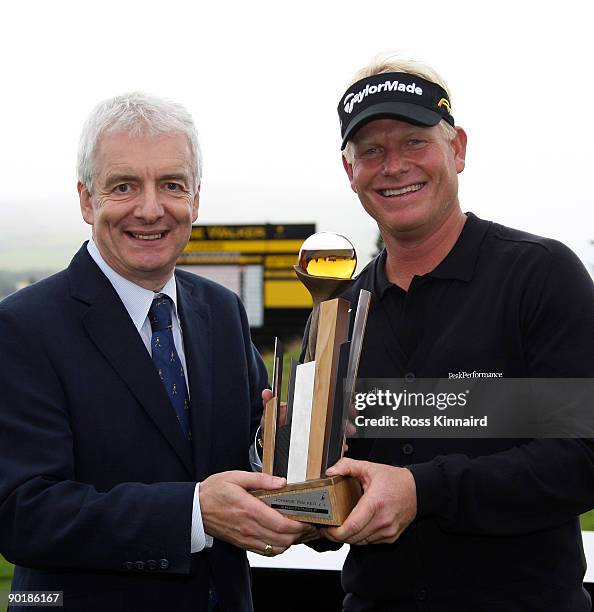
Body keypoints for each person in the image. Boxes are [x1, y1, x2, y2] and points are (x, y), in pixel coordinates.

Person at [0, 92, 311, 612]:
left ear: (195, 198)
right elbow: (22, 512)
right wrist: (194, 514)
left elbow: (246, 451)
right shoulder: (22, 328)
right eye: (124, 186)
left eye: (172, 185)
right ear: (86, 200)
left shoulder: (221, 310)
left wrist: (290, 444)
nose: (151, 209)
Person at [319, 55, 594, 611]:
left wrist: (424, 491)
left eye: (415, 142)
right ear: (350, 171)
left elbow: (582, 459)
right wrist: (292, 455)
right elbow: (339, 482)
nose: (394, 166)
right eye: (371, 150)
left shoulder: (540, 276)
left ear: (458, 149)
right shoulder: (339, 313)